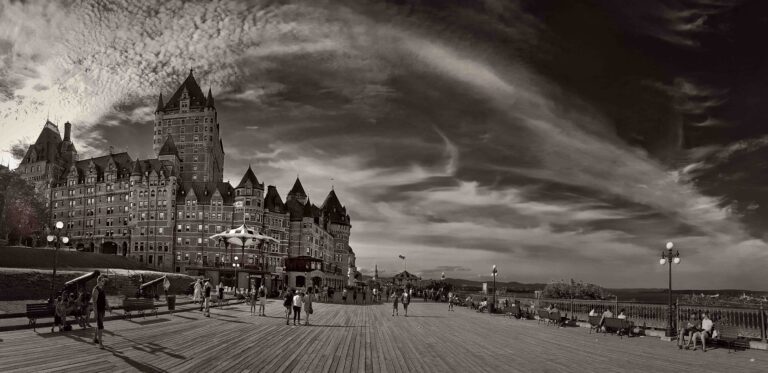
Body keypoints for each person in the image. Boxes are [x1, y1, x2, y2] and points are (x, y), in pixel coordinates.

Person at [91, 275, 110, 349]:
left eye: (104, 281)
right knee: (101, 326)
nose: (103, 282)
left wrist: (108, 306)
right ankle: (100, 343)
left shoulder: (102, 289)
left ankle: (95, 338)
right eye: (102, 281)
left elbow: (105, 299)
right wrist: (95, 313)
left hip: (102, 309)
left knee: (99, 324)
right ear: (98, 281)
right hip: (98, 310)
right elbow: (94, 302)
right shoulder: (95, 290)